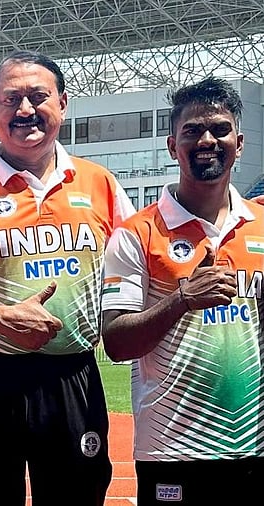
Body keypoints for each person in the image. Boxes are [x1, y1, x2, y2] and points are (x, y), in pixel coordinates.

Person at [0, 50, 134, 505]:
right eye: (11, 100)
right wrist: (2, 320)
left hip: (71, 378)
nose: (25, 110)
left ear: (63, 103)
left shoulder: (101, 185)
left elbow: (131, 286)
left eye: (38, 96)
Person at [101, 77, 264, 504]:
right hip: (172, 449)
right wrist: (182, 300)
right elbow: (117, 342)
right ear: (173, 146)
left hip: (254, 443)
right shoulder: (136, 234)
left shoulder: (262, 226)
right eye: (192, 130)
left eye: (219, 129)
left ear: (240, 143)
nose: (207, 139)